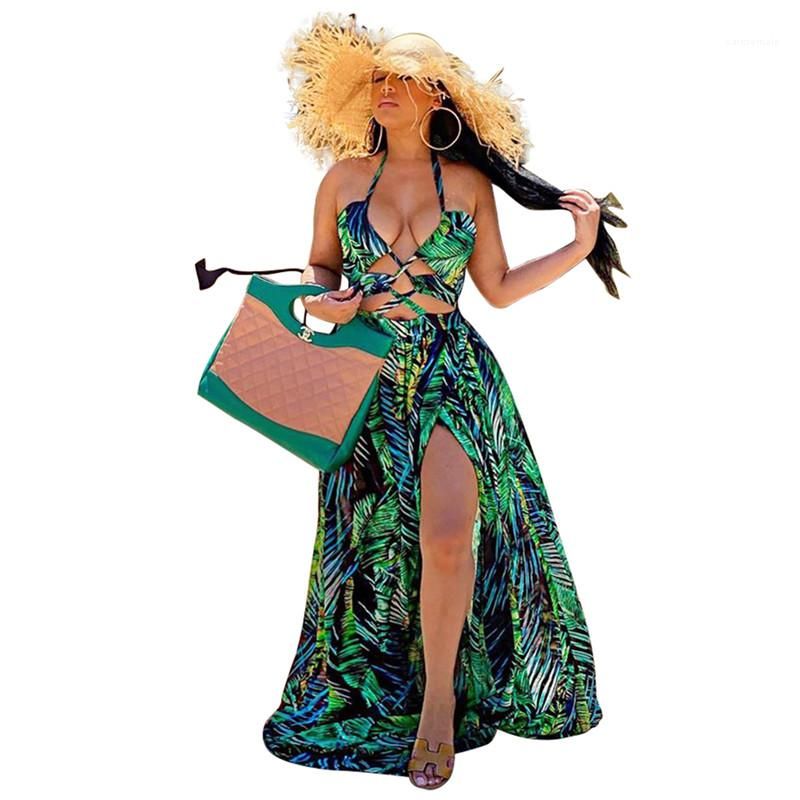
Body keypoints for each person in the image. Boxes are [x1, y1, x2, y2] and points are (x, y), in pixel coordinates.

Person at [261, 12, 627, 789]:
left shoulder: (465, 185)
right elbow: (320, 267)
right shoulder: (341, 180)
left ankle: (438, 706)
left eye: (405, 80)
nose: (387, 91)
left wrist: (578, 248)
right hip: (366, 377)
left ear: (440, 99)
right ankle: (394, 683)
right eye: (380, 80)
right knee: (372, 550)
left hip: (450, 374)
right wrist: (325, 300)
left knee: (451, 536)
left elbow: (497, 288)